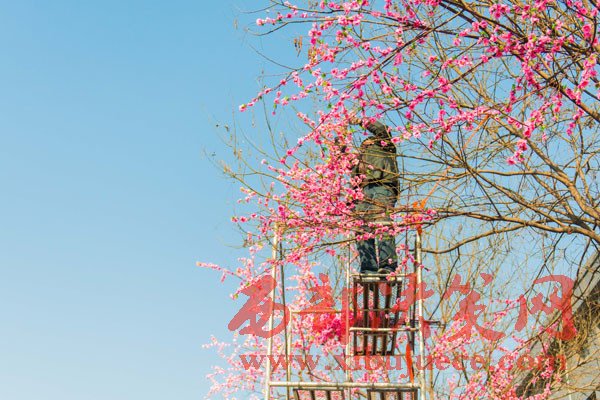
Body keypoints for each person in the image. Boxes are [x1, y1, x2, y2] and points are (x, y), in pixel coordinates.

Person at [350, 117, 400, 275]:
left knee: (382, 223)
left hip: (382, 185)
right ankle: (368, 268)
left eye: (369, 143)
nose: (365, 145)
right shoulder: (359, 160)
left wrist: (361, 120)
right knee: (362, 228)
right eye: (363, 146)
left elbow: (382, 130)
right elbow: (346, 161)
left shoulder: (385, 146)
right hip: (363, 192)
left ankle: (388, 265)